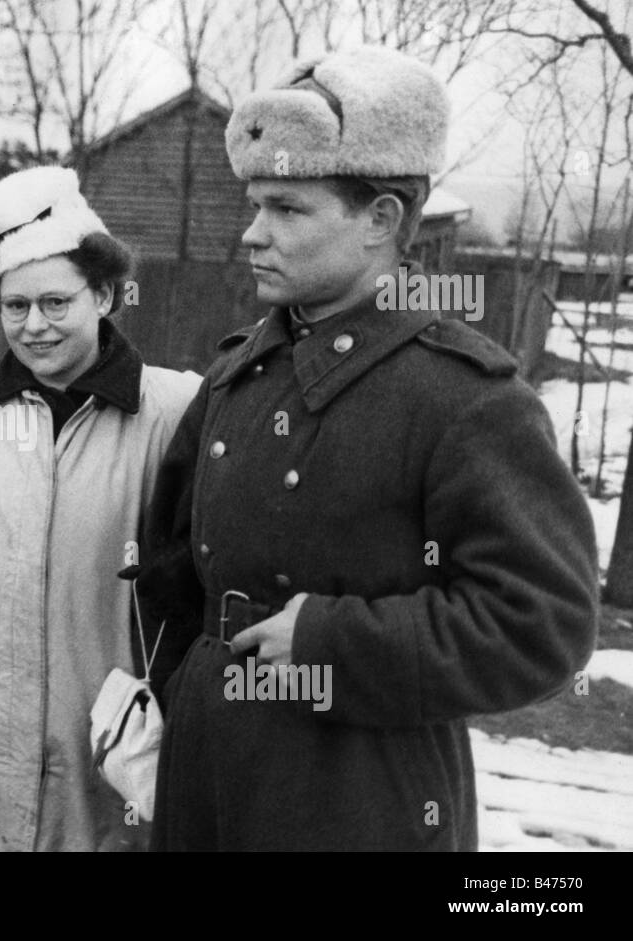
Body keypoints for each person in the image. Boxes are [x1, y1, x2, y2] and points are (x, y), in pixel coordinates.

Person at [137, 45, 599, 851]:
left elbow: (542, 625)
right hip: (207, 770)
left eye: (287, 209)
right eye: (255, 205)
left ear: (381, 220)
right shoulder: (238, 371)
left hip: (356, 795)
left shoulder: (464, 397)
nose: (252, 233)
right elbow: (175, 564)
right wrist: (181, 687)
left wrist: (329, 645)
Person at [0, 167, 201, 851]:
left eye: (55, 302)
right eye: (14, 306)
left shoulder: (172, 407)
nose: (34, 325)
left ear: (104, 293)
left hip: (107, 730)